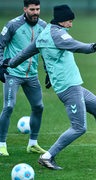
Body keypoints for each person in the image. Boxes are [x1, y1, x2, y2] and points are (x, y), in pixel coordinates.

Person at [2, 4, 96, 170]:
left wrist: (9, 63)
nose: (71, 24)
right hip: (68, 87)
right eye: (70, 21)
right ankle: (47, 156)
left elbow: (24, 54)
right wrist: (93, 47)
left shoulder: (43, 34)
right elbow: (76, 46)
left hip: (73, 85)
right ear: (62, 21)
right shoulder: (58, 34)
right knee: (79, 127)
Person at [0, 0, 47, 156]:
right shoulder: (13, 25)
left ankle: (32, 144)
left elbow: (47, 50)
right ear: (25, 9)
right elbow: (0, 44)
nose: (35, 12)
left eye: (38, 9)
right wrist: (1, 65)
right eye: (32, 9)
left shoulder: (43, 26)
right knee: (9, 106)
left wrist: (48, 71)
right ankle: (1, 144)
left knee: (39, 107)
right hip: (12, 73)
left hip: (31, 75)